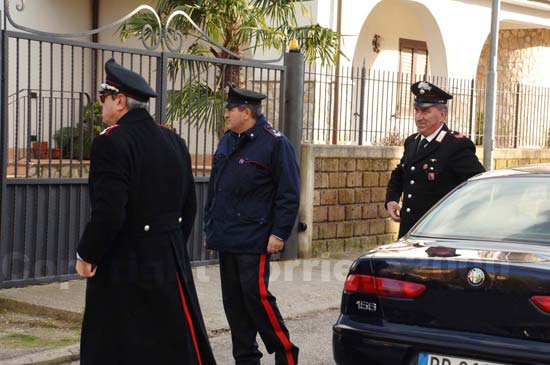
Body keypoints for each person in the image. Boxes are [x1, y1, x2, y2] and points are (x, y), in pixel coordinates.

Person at [75, 58, 216, 365]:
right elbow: (188, 205)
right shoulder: (173, 140)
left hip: (124, 264)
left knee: (119, 345)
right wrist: (171, 243)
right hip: (168, 259)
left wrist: (87, 255)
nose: (101, 105)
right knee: (168, 343)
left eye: (104, 98)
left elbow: (109, 212)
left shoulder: (110, 142)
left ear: (120, 100)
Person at [204, 84, 300, 365]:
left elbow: (289, 192)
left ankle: (285, 352)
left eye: (230, 109)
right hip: (227, 236)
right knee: (233, 303)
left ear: (247, 112)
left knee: (255, 298)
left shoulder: (275, 143)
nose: (226, 114)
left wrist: (279, 233)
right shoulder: (228, 140)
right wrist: (211, 228)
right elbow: (216, 188)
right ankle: (245, 359)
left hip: (254, 236)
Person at [386, 80, 485, 238]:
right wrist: (391, 199)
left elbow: (478, 186)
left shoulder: (455, 145)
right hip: (410, 232)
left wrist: (458, 221)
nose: (419, 117)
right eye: (417, 111)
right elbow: (400, 173)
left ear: (442, 115)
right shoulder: (412, 142)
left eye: (425, 111)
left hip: (440, 235)